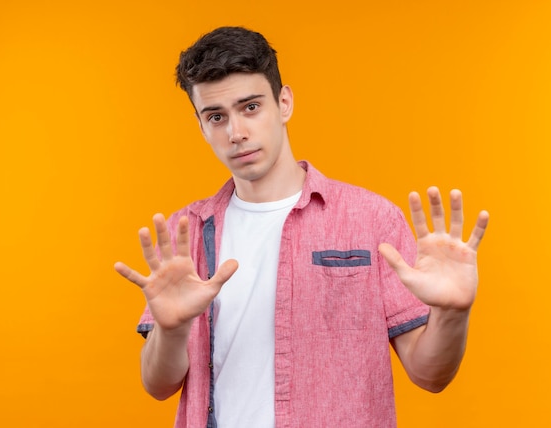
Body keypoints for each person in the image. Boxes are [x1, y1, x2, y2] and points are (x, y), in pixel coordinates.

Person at [114, 26, 489, 428]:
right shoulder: (185, 230)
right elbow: (158, 385)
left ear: (284, 103)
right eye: (216, 116)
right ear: (201, 127)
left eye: (251, 107)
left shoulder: (371, 219)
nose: (236, 133)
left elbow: (430, 374)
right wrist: (171, 330)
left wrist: (452, 313)